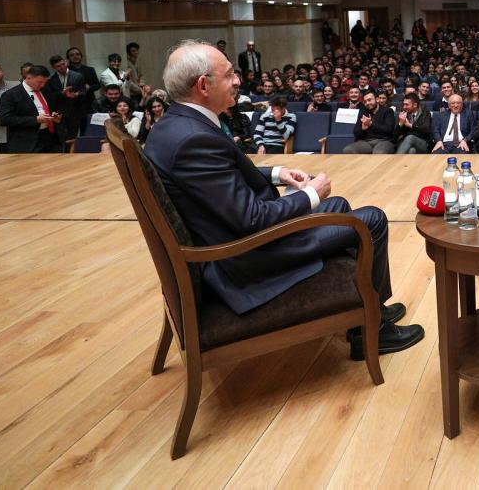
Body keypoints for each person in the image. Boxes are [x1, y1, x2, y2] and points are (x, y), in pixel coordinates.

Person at [143, 40, 422, 356]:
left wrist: (277, 174)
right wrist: (309, 195)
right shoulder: (192, 139)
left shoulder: (174, 125)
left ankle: (367, 309)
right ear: (203, 85)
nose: (238, 81)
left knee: (341, 207)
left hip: (231, 238)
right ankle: (374, 330)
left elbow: (223, 178)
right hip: (249, 255)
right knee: (371, 220)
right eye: (230, 74)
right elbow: (252, 219)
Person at [0, 64, 64, 153]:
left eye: (45, 82)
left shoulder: (45, 90)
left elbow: (53, 107)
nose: (42, 85)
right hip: (28, 141)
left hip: (50, 136)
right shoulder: (11, 95)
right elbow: (4, 120)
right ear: (28, 77)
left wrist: (56, 115)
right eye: (40, 82)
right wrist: (35, 119)